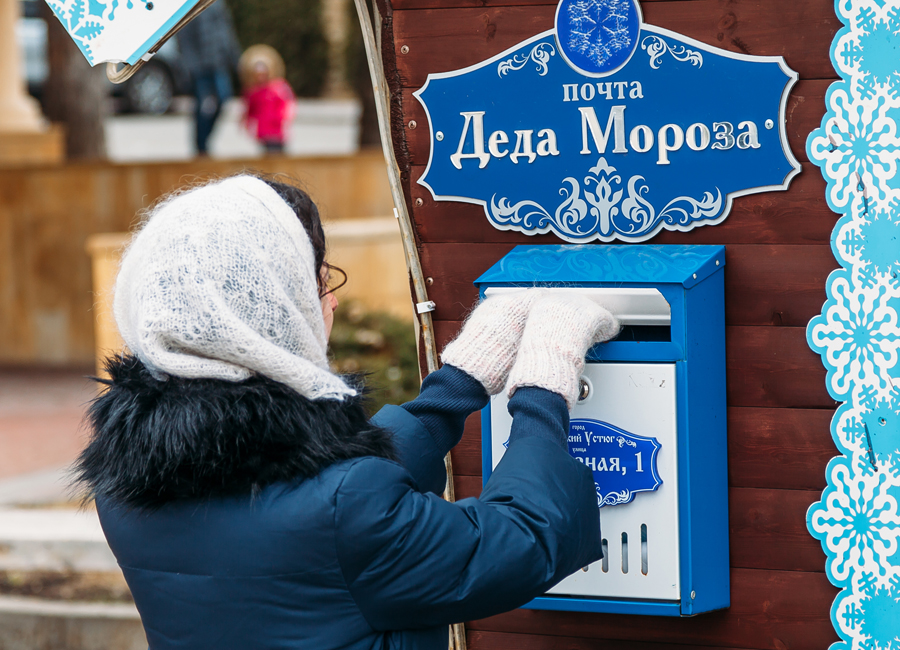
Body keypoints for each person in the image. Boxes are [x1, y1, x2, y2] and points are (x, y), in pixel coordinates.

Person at [74, 175, 620, 650]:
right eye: (314, 284)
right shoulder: (347, 511)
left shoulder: (123, 490)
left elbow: (314, 491)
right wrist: (543, 385)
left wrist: (455, 388)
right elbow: (523, 539)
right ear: (265, 313)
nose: (330, 300)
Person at [176, 1, 242, 156]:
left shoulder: (218, 4)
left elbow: (226, 32)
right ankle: (200, 146)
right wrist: (190, 66)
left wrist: (236, 59)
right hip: (199, 67)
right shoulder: (189, 5)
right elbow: (184, 39)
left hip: (218, 63)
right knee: (203, 106)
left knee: (223, 98)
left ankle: (205, 140)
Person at [239, 45, 295, 155]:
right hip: (263, 131)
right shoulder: (253, 91)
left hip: (277, 130)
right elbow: (250, 110)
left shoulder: (279, 87)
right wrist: (245, 122)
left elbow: (288, 104)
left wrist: (285, 117)